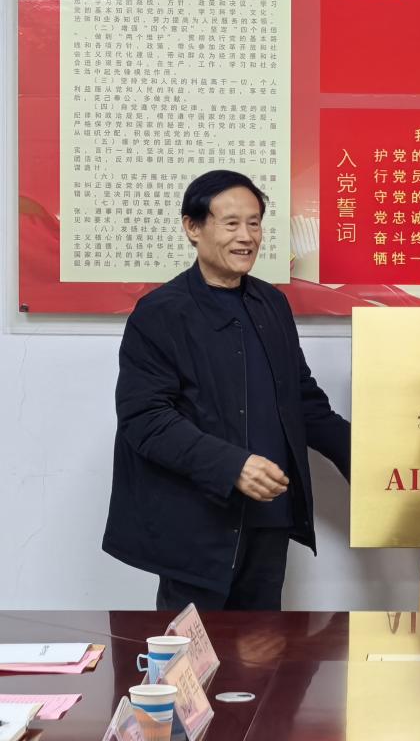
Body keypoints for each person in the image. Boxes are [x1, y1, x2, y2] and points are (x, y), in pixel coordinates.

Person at [103, 170, 350, 611]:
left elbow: (303, 402)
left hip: (270, 521)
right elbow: (146, 419)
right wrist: (233, 465)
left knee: (264, 652)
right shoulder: (160, 313)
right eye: (231, 223)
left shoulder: (272, 304)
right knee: (192, 653)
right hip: (196, 526)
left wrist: (372, 458)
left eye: (254, 223)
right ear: (192, 227)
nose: (246, 237)